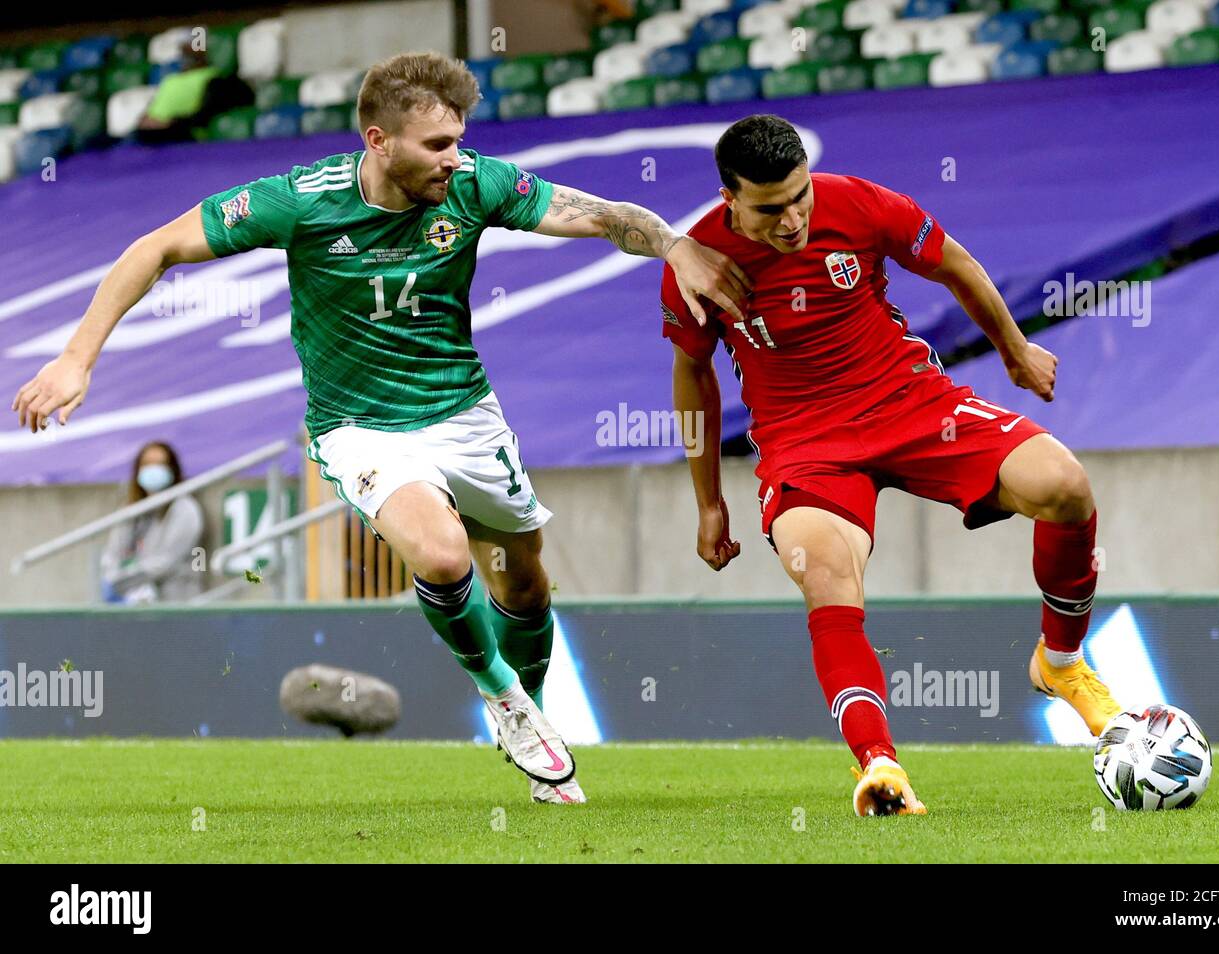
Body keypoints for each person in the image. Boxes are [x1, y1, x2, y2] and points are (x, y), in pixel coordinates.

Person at [12, 51, 750, 806]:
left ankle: (530, 719)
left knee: (524, 581)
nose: (454, 159)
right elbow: (155, 247)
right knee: (439, 551)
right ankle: (503, 698)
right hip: (359, 426)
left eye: (459, 139)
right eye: (436, 145)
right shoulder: (298, 201)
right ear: (377, 140)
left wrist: (673, 242)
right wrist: (77, 358)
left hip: (463, 412)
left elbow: (598, 216)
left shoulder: (474, 186)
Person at [663, 114, 1119, 818]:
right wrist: (708, 502)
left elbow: (955, 263)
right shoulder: (697, 261)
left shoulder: (860, 204)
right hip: (805, 444)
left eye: (799, 198)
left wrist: (1014, 348)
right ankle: (880, 768)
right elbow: (692, 374)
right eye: (769, 209)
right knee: (825, 575)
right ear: (730, 200)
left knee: (1064, 485)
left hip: (910, 403)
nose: (792, 220)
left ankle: (1060, 663)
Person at [100, 441, 204, 604]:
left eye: (161, 464)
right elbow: (113, 553)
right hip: (135, 603)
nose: (153, 469)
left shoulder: (185, 509)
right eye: (147, 464)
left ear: (172, 470)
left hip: (175, 603)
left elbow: (166, 562)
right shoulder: (133, 510)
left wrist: (121, 579)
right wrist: (112, 577)